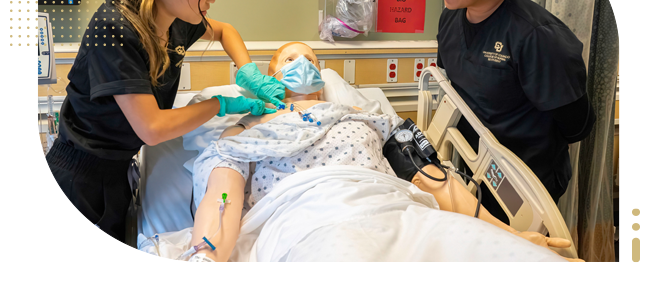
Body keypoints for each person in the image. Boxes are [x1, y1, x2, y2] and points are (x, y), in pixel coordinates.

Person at [186, 42, 579, 262]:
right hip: (312, 221)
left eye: (311, 59)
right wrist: (205, 257)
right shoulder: (250, 128)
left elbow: (435, 181)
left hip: (402, 212)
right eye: (290, 59)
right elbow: (223, 198)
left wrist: (516, 234)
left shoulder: (365, 116)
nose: (303, 64)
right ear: (271, 76)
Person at [36, 0, 285, 262]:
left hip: (116, 175)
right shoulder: (115, 28)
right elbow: (151, 128)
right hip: (77, 187)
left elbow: (225, 31)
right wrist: (220, 104)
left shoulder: (178, 19)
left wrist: (248, 72)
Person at [433, 0, 596, 222]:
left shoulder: (537, 37)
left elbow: (577, 125)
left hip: (523, 181)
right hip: (473, 164)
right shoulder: (451, 18)